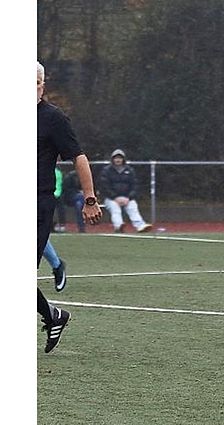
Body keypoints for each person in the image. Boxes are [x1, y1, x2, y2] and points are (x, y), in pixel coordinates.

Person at [37, 61, 102, 353]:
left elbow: (78, 158)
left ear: (41, 86)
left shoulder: (54, 119)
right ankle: (53, 316)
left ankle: (52, 315)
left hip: (36, 203)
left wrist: (89, 199)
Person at [98, 149, 153, 233]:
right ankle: (118, 226)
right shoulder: (106, 171)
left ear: (123, 159)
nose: (118, 160)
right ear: (112, 159)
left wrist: (128, 197)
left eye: (120, 158)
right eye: (116, 158)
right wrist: (115, 197)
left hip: (127, 198)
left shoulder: (130, 170)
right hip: (111, 198)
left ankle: (140, 226)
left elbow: (135, 186)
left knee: (133, 207)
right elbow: (105, 187)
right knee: (115, 209)